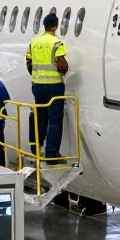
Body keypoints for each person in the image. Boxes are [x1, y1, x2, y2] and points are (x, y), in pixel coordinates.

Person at [25, 14, 69, 160]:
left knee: (41, 117)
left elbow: (29, 64)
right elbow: (62, 65)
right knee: (55, 120)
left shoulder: (34, 42)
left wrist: (38, 74)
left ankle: (36, 149)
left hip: (37, 85)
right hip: (54, 86)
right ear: (55, 27)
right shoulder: (57, 43)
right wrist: (64, 68)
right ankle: (51, 152)